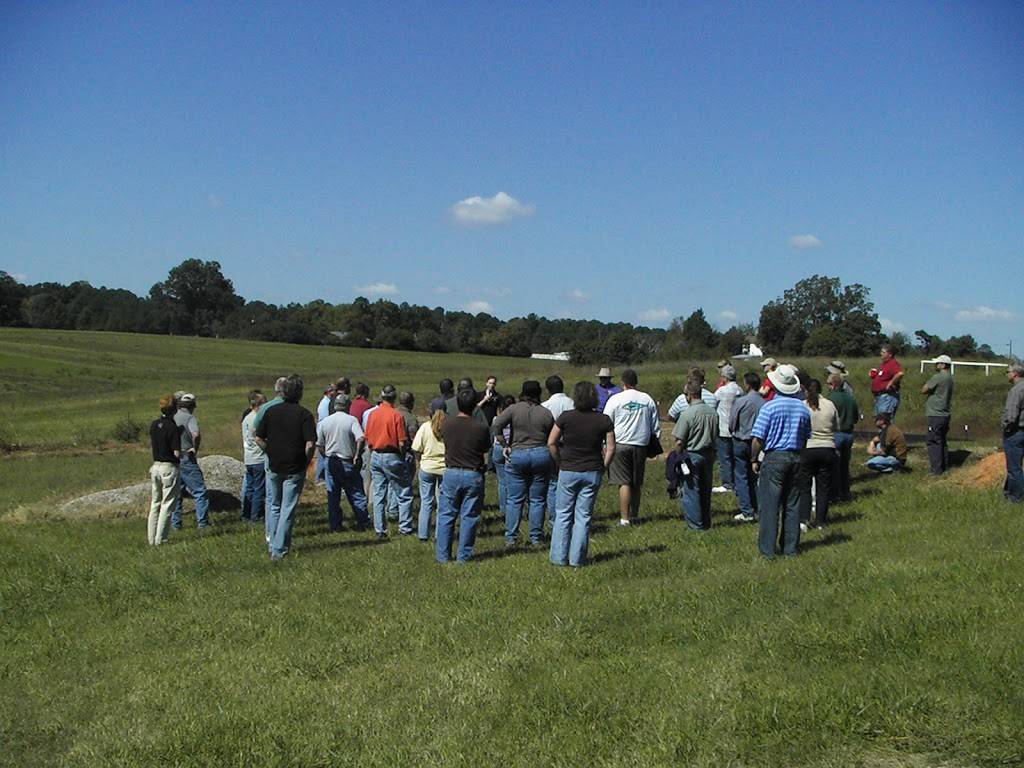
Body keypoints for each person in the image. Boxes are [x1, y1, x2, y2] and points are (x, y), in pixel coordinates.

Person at [547, 380, 615, 566]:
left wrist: (559, 461)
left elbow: (551, 442)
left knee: (563, 515)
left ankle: (559, 558)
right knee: (583, 517)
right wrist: (604, 466)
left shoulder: (565, 417)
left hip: (568, 469)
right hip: (592, 470)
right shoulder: (604, 419)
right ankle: (577, 559)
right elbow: (611, 448)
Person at [751, 364, 810, 558]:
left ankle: (768, 550)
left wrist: (754, 458)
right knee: (792, 505)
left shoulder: (769, 408)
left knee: (770, 506)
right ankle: (790, 548)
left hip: (775, 456)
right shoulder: (803, 409)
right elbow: (805, 436)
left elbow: (758, 438)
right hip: (796, 456)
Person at [254, 374, 316, 560]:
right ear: (299, 393)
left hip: (274, 464)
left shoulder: (271, 411)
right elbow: (310, 444)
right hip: (294, 466)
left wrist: (269, 451)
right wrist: (306, 461)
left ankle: (273, 542)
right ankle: (279, 550)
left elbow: (258, 437)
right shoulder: (304, 414)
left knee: (274, 505)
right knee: (287, 509)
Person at [492, 380, 555, 547]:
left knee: (514, 499)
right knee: (538, 499)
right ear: (538, 393)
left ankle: (511, 537)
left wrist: (504, 444)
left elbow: (496, 425)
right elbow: (553, 436)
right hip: (541, 453)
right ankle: (536, 537)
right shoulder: (546, 412)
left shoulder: (513, 409)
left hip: (517, 453)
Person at [436, 387, 491, 563]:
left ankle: (443, 555)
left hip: (451, 471)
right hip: (472, 473)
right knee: (469, 517)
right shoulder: (481, 427)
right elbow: (485, 448)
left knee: (446, 515)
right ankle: (463, 556)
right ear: (475, 405)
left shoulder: (447, 424)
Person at [603, 368, 660, 526]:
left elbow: (607, 422)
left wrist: (605, 445)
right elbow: (655, 425)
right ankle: (634, 514)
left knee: (624, 482)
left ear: (623, 383)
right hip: (640, 443)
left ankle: (624, 518)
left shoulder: (615, 399)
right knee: (636, 482)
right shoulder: (646, 399)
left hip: (620, 443)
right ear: (636, 382)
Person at [316, 393, 370, 532]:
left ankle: (335, 525)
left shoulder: (324, 422)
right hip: (347, 460)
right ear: (348, 406)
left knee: (333, 494)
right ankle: (363, 521)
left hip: (331, 460)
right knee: (356, 492)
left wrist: (325, 455)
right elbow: (361, 438)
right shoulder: (351, 420)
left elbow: (319, 444)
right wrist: (357, 455)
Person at [365, 385, 413, 538]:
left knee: (379, 493)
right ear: (394, 397)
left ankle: (380, 529)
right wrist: (403, 456)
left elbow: (368, 438)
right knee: (404, 492)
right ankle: (405, 527)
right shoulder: (396, 416)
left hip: (376, 454)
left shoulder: (373, 415)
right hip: (392, 455)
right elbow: (401, 442)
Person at [672, 382, 719, 531]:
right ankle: (706, 522)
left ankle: (695, 525)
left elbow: (679, 441)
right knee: (706, 490)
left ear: (690, 395)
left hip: (692, 455)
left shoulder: (687, 414)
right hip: (709, 454)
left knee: (691, 491)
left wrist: (678, 456)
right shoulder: (713, 412)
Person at [799, 379, 838, 531]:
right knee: (823, 488)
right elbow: (836, 425)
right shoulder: (830, 405)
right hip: (827, 447)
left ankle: (804, 519)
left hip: (808, 447)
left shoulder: (803, 406)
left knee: (805, 486)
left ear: (806, 391)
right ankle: (821, 521)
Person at [170, 392, 211, 530]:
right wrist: (195, 448)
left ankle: (176, 524)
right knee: (200, 491)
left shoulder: (172, 417)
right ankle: (203, 524)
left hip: (173, 458)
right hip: (186, 455)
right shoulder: (190, 418)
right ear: (192, 406)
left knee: (176, 493)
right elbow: (196, 434)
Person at [147, 394, 181, 545]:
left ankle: (151, 538)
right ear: (174, 409)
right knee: (167, 505)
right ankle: (161, 539)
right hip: (168, 467)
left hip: (155, 466)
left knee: (155, 503)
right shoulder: (172, 427)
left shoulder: (154, 424)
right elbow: (176, 452)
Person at [730, 372, 764, 522]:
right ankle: (757, 507)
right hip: (758, 442)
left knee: (741, 476)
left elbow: (732, 422)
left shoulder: (741, 401)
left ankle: (746, 510)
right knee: (754, 476)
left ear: (747, 385)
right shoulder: (764, 403)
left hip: (741, 440)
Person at [542, 374, 575, 516]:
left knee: (553, 482)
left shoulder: (545, 406)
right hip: (570, 446)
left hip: (552, 445)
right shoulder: (572, 403)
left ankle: (554, 516)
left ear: (548, 389)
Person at [412, 408, 446, 541]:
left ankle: (423, 534)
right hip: (443, 468)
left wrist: (420, 461)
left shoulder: (425, 427)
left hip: (427, 467)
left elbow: (416, 448)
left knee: (426, 502)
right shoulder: (448, 428)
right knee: (442, 504)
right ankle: (440, 534)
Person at [826, 372, 860, 502]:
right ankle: (846, 492)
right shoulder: (850, 398)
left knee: (834, 466)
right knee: (845, 466)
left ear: (833, 384)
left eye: (829, 384)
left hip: (836, 434)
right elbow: (856, 417)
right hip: (849, 434)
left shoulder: (831, 399)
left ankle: (835, 494)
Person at [921, 354, 954, 475]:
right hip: (944, 413)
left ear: (943, 364)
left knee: (933, 441)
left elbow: (924, 389)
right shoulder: (950, 378)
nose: (936, 365)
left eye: (938, 363)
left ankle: (936, 469)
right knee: (942, 440)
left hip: (935, 413)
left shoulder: (938, 377)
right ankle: (943, 466)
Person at [712, 365, 743, 494]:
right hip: (737, 428)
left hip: (723, 427)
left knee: (724, 458)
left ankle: (727, 483)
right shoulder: (740, 390)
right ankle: (737, 482)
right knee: (735, 457)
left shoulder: (721, 391)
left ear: (725, 377)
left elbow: (713, 404)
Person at [241, 389, 267, 524]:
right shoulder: (257, 419)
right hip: (259, 457)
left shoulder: (246, 418)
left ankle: (246, 513)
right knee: (259, 488)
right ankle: (256, 516)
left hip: (249, 457)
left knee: (250, 488)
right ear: (258, 404)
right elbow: (259, 438)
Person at [1000, 363, 1024, 503]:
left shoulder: (1016, 390)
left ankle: (1016, 498)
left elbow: (1011, 414)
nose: (1007, 374)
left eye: (1007, 371)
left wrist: (1005, 427)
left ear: (1015, 373)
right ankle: (1009, 492)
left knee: (1014, 468)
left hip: (1016, 432)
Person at [491, 394, 517, 520]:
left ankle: (503, 508)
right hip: (511, 447)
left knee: (502, 481)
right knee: (513, 479)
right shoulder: (516, 418)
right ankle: (514, 506)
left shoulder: (497, 419)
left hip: (497, 447)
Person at [870, 344, 904, 419]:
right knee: (879, 420)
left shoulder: (893, 363)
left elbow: (900, 374)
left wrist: (891, 383)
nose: (881, 354)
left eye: (883, 352)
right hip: (879, 397)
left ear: (890, 354)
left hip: (887, 397)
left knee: (884, 421)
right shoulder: (884, 365)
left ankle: (892, 431)